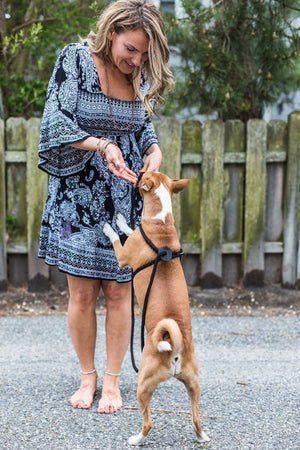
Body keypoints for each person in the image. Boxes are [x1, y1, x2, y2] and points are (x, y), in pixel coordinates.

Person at [38, 0, 173, 414]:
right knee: (81, 295)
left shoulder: (139, 75)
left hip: (123, 195)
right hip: (77, 195)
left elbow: (143, 122)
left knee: (118, 292)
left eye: (143, 54)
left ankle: (113, 381)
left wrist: (153, 148)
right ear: (111, 31)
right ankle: (87, 376)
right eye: (130, 49)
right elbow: (55, 121)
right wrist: (101, 144)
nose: (135, 60)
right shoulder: (75, 60)